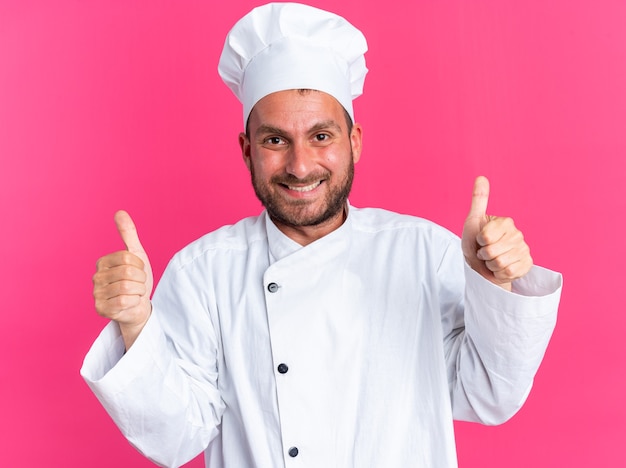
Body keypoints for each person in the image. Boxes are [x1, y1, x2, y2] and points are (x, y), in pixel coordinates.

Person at [81, 3, 562, 468]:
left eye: (321, 136)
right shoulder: (204, 271)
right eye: (275, 140)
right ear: (247, 151)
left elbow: (489, 396)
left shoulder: (423, 252)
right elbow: (174, 439)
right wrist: (136, 325)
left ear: (354, 142)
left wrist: (495, 285)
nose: (300, 165)